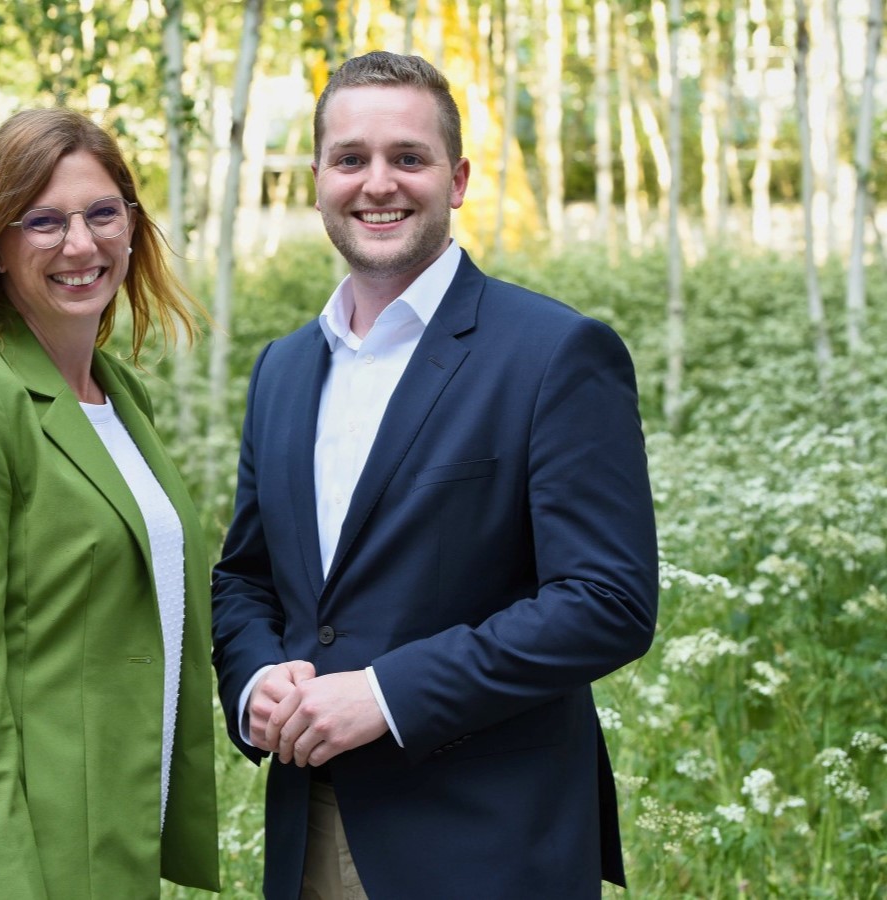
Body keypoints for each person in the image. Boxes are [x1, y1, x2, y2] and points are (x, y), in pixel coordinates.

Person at [211, 51, 658, 899]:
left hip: (488, 844)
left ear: (455, 179)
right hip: (310, 832)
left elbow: (609, 602)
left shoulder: (554, 352)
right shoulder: (282, 369)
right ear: (317, 180)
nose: (377, 183)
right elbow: (245, 580)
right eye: (351, 159)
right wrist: (256, 682)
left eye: (406, 158)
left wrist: (387, 694)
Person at [0, 107, 219, 899]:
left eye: (104, 213)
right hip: (20, 859)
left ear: (132, 229)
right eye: (43, 221)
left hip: (114, 838)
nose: (81, 244)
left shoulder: (117, 393)